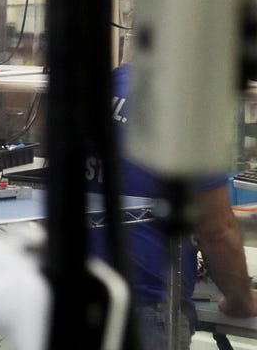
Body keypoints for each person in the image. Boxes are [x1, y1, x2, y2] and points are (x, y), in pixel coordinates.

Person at [93, 63, 257, 349]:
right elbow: (215, 230)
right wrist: (241, 300)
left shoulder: (112, 82)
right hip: (146, 307)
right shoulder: (186, 107)